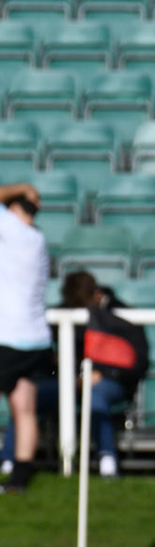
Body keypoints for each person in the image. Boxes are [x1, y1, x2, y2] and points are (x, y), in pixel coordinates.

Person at [62, 270, 147, 479]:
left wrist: (104, 373)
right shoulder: (64, 314)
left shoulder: (125, 316)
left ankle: (107, 460)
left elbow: (139, 363)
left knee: (95, 393)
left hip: (114, 383)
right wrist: (73, 375)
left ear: (97, 295)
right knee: (26, 393)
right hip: (69, 381)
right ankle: (11, 462)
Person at [0, 181, 49, 495]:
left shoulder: (11, 229)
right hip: (36, 339)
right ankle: (19, 479)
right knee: (25, 408)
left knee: (21, 408)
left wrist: (23, 187)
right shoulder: (38, 238)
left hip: (10, 338)